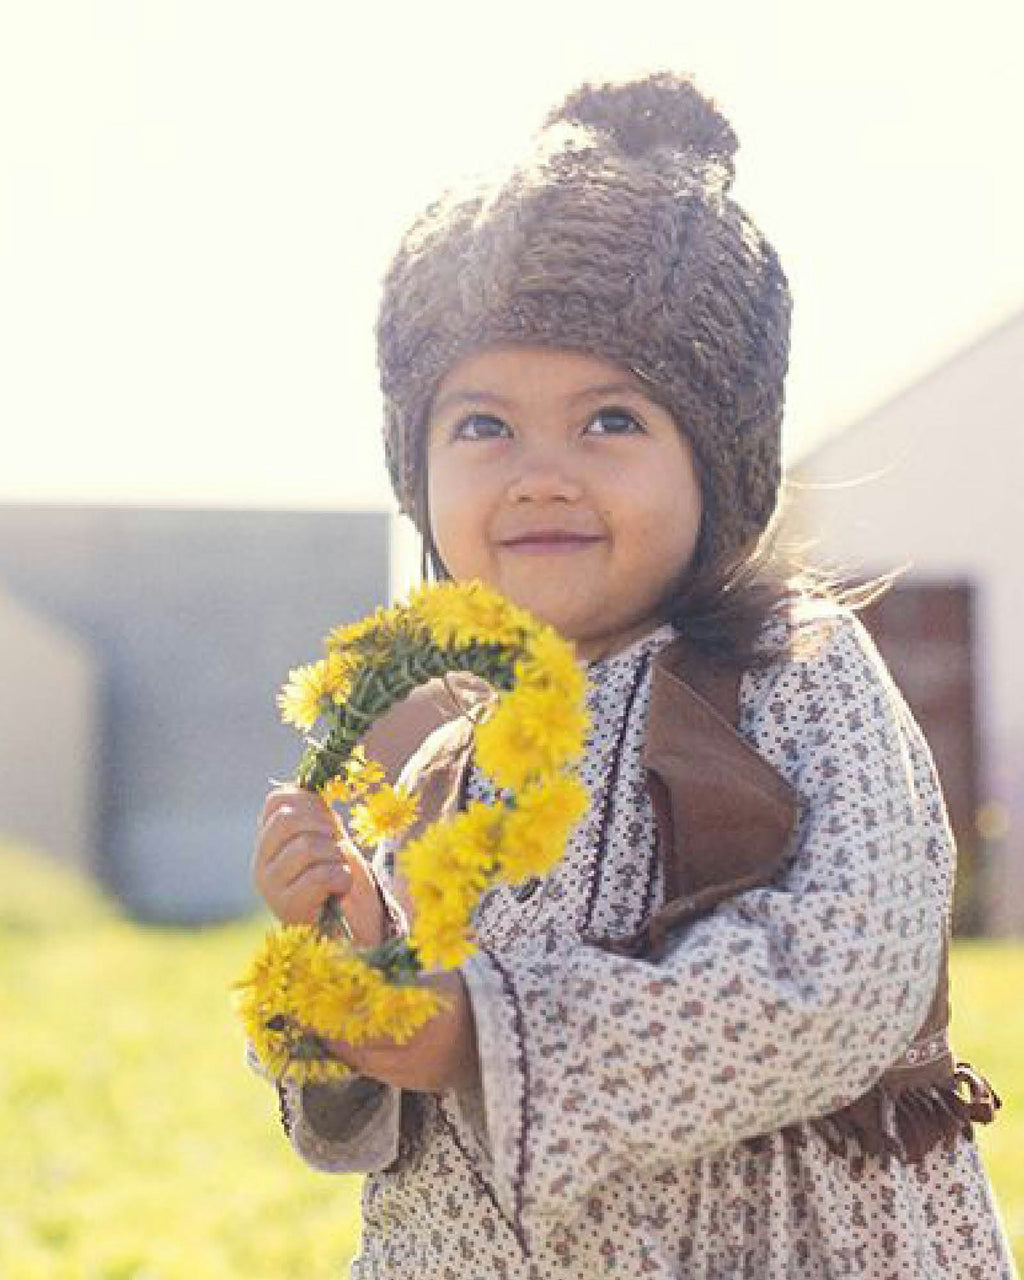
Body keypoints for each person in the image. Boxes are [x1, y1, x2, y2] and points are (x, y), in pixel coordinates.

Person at [250, 72, 1016, 1278]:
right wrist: (352, 959)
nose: (541, 472)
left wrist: (494, 1035)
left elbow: (846, 964)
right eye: (483, 425)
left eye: (609, 420)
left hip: (773, 1241)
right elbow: (393, 1090)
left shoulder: (789, 673)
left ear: (716, 464)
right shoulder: (450, 761)